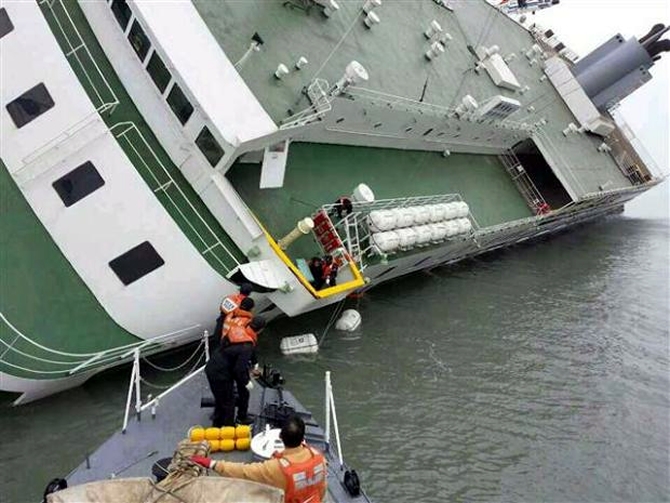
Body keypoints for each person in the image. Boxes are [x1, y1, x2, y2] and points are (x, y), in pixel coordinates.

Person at [191, 415, 327, 503]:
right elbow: (322, 488)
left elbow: (243, 471)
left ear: (280, 436)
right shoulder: (319, 458)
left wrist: (212, 463)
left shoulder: (276, 468)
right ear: (303, 437)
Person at [205, 315, 266, 427]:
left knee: (221, 398)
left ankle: (218, 421)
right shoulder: (246, 346)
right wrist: (246, 382)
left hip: (214, 365)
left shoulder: (239, 329)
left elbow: (224, 344)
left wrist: (254, 361)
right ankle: (229, 428)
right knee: (228, 402)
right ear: (261, 329)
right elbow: (239, 369)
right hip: (220, 373)